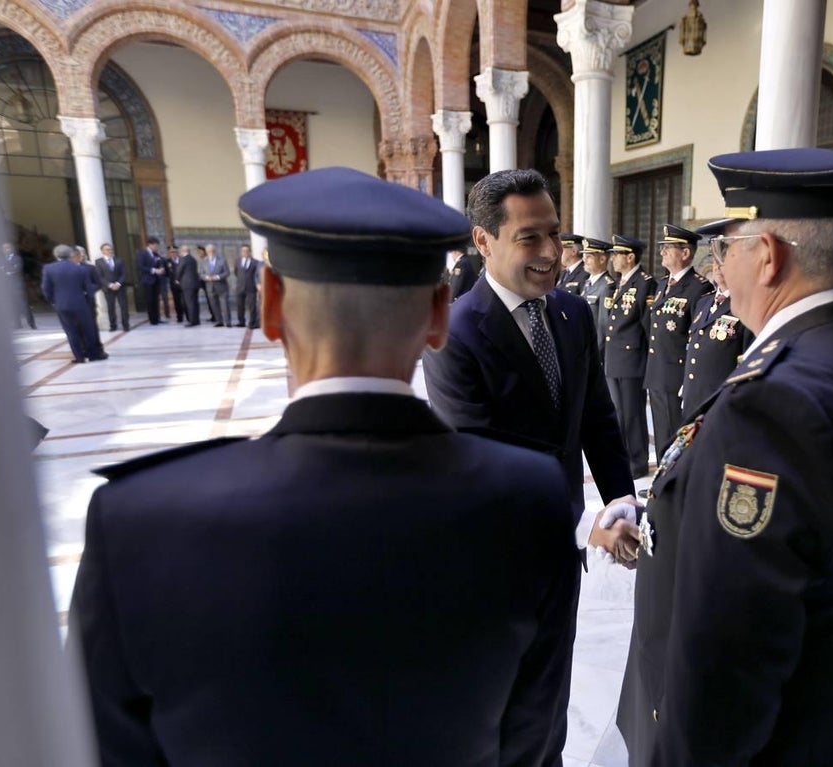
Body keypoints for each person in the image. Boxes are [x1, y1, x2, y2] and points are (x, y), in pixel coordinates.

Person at [71, 166, 579, 766]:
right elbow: (534, 738)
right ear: (439, 315)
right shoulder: (529, 497)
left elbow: (102, 748)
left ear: (271, 304)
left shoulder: (137, 519)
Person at [617, 148, 833, 766]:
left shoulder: (774, 401)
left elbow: (729, 655)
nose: (719, 267)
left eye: (725, 249)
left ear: (768, 257)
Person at [422, 168, 639, 760]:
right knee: (503, 708)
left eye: (555, 234)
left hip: (559, 562)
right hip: (492, 561)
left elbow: (597, 418)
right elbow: (479, 461)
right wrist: (580, 523)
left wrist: (621, 503)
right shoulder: (455, 332)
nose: (552, 253)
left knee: (549, 698)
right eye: (530, 238)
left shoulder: (570, 315)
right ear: (483, 240)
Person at [643, 224, 712, 461]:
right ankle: (662, 482)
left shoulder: (699, 287)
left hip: (677, 372)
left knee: (677, 433)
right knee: (662, 430)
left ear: (685, 253)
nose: (662, 252)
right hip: (658, 369)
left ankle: (676, 482)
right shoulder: (663, 284)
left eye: (668, 247)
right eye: (662, 247)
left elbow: (697, 335)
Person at [681, 230, 754, 416]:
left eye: (723, 263)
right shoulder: (704, 302)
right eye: (714, 262)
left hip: (718, 401)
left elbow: (746, 361)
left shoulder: (744, 304)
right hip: (693, 396)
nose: (717, 267)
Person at [605, 234, 656, 478]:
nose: (613, 259)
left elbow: (647, 327)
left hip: (632, 358)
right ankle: (624, 456)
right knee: (619, 413)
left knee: (633, 413)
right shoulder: (620, 282)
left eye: (617, 254)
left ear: (630, 257)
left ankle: (637, 461)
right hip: (616, 357)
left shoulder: (645, 283)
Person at [41, 244, 106, 363]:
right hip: (81, 304)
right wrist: (87, 301)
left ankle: (79, 357)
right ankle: (93, 355)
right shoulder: (81, 268)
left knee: (71, 331)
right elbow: (89, 289)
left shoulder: (48, 268)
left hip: (61, 305)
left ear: (56, 255)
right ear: (70, 254)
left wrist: (53, 301)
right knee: (88, 330)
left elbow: (46, 288)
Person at [580, 237, 616, 362]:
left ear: (602, 259)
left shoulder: (607, 286)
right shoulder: (588, 283)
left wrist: (598, 355)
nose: (584, 259)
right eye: (584, 255)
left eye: (589, 256)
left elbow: (603, 326)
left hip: (595, 353)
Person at [95, 243, 130, 332]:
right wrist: (110, 285)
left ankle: (126, 325)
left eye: (110, 249)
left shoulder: (119, 260)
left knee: (124, 307)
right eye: (107, 249)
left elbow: (123, 273)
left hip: (120, 287)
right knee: (111, 307)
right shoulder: (99, 262)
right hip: (108, 288)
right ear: (102, 251)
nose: (109, 251)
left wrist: (118, 284)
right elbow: (100, 276)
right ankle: (113, 325)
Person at [2, 242, 36, 329]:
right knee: (12, 306)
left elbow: (17, 269)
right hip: (7, 286)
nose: (6, 250)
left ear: (11, 249)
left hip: (17, 286)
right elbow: (0, 269)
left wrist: (7, 272)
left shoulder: (17, 258)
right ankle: (17, 325)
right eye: (5, 248)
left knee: (23, 305)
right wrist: (8, 271)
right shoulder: (2, 260)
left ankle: (31, 324)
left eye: (8, 248)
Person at [136, 236, 165, 325]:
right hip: (147, 281)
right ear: (150, 244)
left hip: (156, 280)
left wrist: (161, 269)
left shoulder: (156, 254)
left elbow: (159, 263)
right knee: (150, 300)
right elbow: (140, 267)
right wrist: (154, 270)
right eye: (155, 245)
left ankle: (157, 318)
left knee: (156, 300)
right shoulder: (142, 253)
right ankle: (152, 320)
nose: (156, 247)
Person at [201, 243, 230, 326]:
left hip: (221, 286)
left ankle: (227, 322)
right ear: (206, 252)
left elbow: (227, 272)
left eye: (212, 250)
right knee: (214, 305)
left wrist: (217, 277)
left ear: (215, 251)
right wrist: (206, 277)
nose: (211, 252)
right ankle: (219, 321)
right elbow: (201, 273)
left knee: (224, 305)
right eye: (209, 251)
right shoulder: (204, 261)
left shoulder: (222, 260)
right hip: (210, 286)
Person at [234, 245, 260, 329]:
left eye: (246, 251)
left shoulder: (255, 262)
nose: (245, 252)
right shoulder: (237, 261)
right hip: (240, 286)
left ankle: (252, 322)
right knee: (240, 305)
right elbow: (236, 272)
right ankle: (241, 321)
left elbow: (257, 274)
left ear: (250, 252)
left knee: (252, 306)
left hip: (251, 287)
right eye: (243, 251)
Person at [176, 245, 202, 326]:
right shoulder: (193, 259)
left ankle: (192, 321)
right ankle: (196, 320)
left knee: (189, 303)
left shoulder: (184, 259)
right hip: (194, 284)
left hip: (187, 284)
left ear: (183, 251)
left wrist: (177, 279)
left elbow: (179, 270)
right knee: (194, 302)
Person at [165, 245, 187, 324]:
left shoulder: (182, 260)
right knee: (177, 301)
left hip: (183, 283)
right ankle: (179, 316)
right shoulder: (167, 262)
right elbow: (166, 273)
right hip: (173, 284)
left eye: (174, 252)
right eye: (171, 253)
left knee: (185, 300)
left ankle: (188, 315)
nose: (173, 254)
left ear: (177, 253)